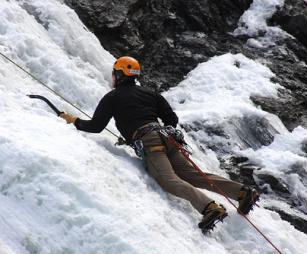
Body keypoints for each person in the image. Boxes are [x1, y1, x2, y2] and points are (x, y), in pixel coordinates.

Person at [59, 56, 259, 231]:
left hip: (150, 143)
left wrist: (73, 120)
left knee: (169, 180)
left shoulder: (113, 97)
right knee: (194, 175)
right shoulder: (150, 93)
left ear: (119, 74)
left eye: (114, 73)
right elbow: (171, 118)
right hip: (167, 137)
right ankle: (242, 191)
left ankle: (210, 207)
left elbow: (96, 126)